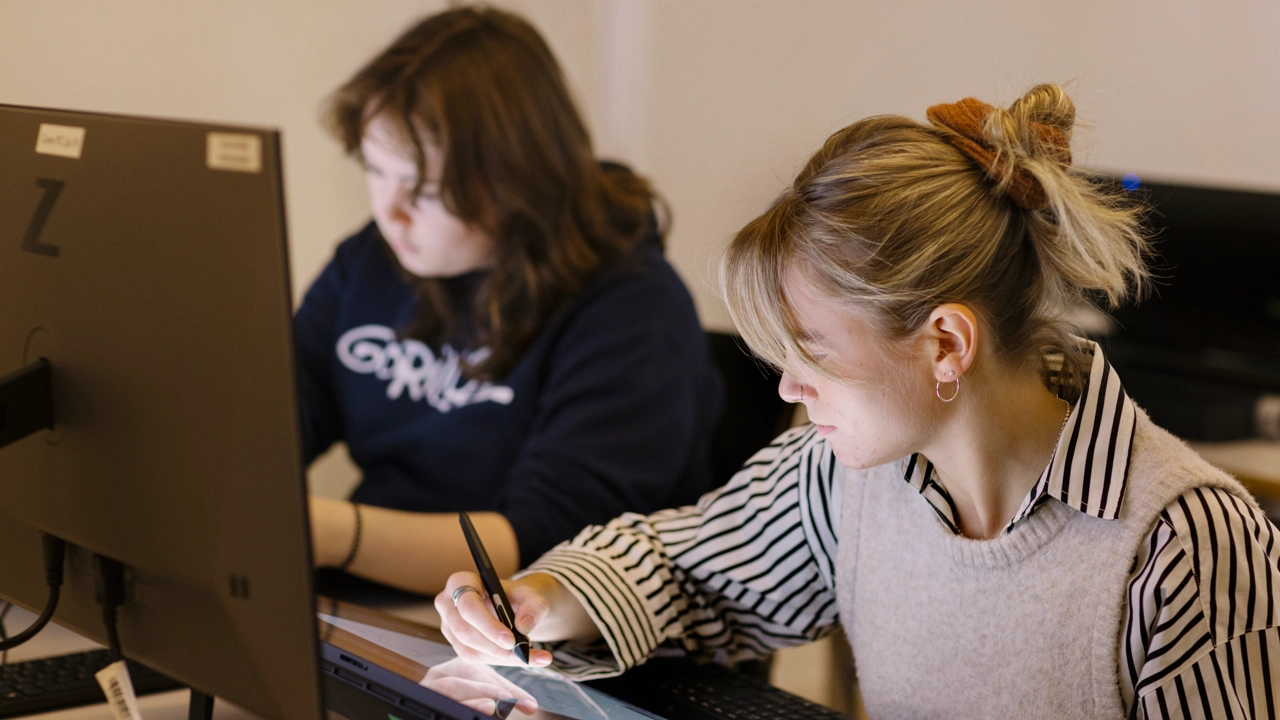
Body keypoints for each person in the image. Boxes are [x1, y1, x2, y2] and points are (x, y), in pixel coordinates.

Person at [437, 84, 1280, 718]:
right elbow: (682, 569)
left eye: (813, 353)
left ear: (946, 345)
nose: (787, 388)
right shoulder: (844, 478)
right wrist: (550, 598)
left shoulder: (1185, 543)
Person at [296, 6, 722, 596]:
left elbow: (544, 549)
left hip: (538, 629)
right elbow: (274, 421)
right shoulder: (372, 259)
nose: (388, 213)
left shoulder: (634, 311)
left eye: (421, 188)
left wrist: (334, 534)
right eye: (376, 170)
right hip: (370, 601)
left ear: (513, 178)